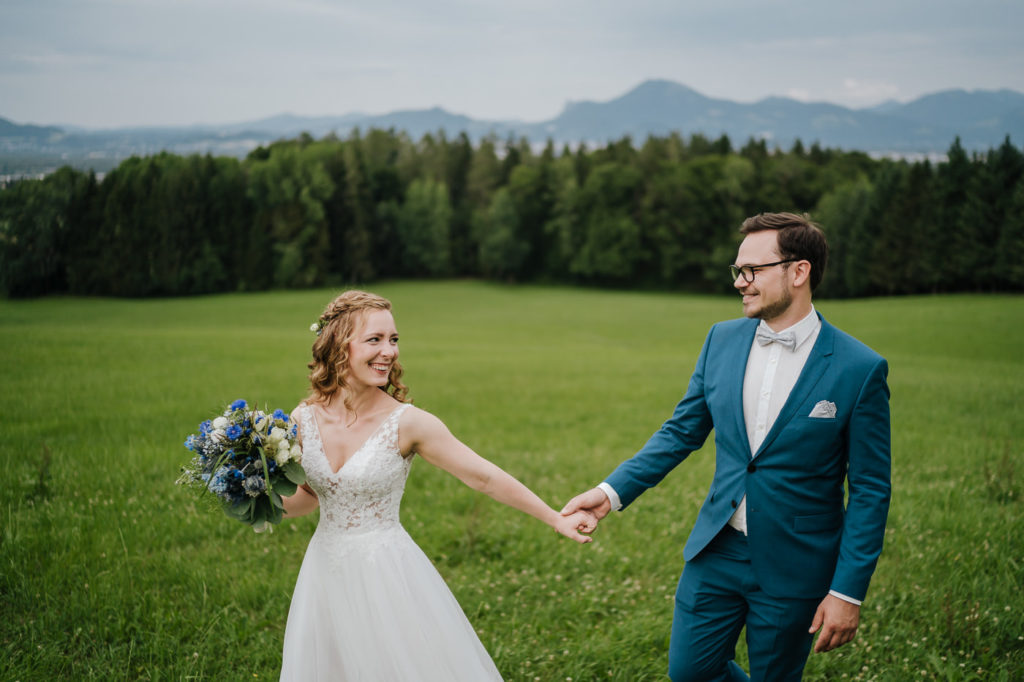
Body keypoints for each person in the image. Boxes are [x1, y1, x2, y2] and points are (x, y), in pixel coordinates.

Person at [562, 213, 891, 681]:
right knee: (690, 673)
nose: (741, 282)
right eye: (738, 270)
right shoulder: (721, 339)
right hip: (717, 550)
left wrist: (847, 592)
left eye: (752, 270)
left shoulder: (860, 368)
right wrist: (611, 492)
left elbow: (871, 490)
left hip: (796, 562)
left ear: (798, 272)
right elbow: (681, 432)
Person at [279, 289, 595, 681]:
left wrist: (554, 518)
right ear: (338, 346)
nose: (389, 351)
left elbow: (482, 475)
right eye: (374, 340)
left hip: (387, 571)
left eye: (393, 340)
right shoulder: (302, 419)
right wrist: (255, 495)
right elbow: (307, 498)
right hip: (324, 571)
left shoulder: (409, 423)